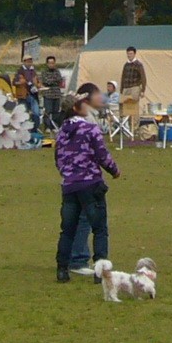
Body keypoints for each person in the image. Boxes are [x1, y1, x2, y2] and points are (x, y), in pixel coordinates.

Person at [55, 83, 120, 284]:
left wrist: (68, 173)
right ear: (76, 108)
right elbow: (102, 154)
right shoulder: (89, 128)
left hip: (69, 185)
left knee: (68, 229)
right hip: (90, 183)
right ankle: (100, 270)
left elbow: (58, 158)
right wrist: (114, 170)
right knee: (99, 228)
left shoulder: (62, 132)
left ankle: (62, 269)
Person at [119, 46, 147, 134]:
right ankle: (127, 126)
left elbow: (143, 78)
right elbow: (123, 77)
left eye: (131, 53)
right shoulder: (126, 65)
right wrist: (121, 89)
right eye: (128, 53)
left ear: (134, 54)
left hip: (135, 87)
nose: (129, 55)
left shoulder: (138, 64)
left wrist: (143, 90)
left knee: (133, 107)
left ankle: (134, 127)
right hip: (126, 87)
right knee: (125, 107)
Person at [39, 56, 65, 129]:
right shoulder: (44, 72)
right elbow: (46, 81)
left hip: (56, 94)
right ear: (47, 64)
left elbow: (59, 79)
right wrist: (54, 81)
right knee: (48, 111)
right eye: (50, 63)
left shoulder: (57, 71)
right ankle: (47, 126)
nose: (51, 65)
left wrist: (52, 81)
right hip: (48, 94)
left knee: (56, 112)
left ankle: (54, 127)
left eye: (53, 63)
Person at [16, 57, 42, 126]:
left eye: (30, 61)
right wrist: (21, 82)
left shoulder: (33, 71)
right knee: (23, 114)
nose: (29, 63)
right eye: (27, 61)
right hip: (23, 96)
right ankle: (23, 129)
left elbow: (38, 82)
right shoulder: (19, 71)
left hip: (33, 95)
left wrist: (38, 85)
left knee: (36, 113)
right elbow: (14, 82)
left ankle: (35, 128)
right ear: (24, 62)